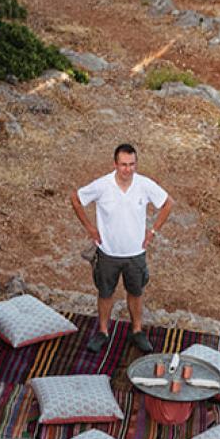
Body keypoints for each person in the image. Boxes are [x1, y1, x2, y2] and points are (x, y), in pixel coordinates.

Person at [71, 143, 175, 354]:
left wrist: (152, 231)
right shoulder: (102, 185)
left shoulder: (144, 185)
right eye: (123, 165)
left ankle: (137, 331)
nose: (127, 169)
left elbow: (168, 203)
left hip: (135, 253)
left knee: (136, 293)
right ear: (115, 164)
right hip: (108, 252)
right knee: (105, 293)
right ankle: (102, 332)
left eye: (132, 164)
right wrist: (90, 228)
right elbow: (76, 198)